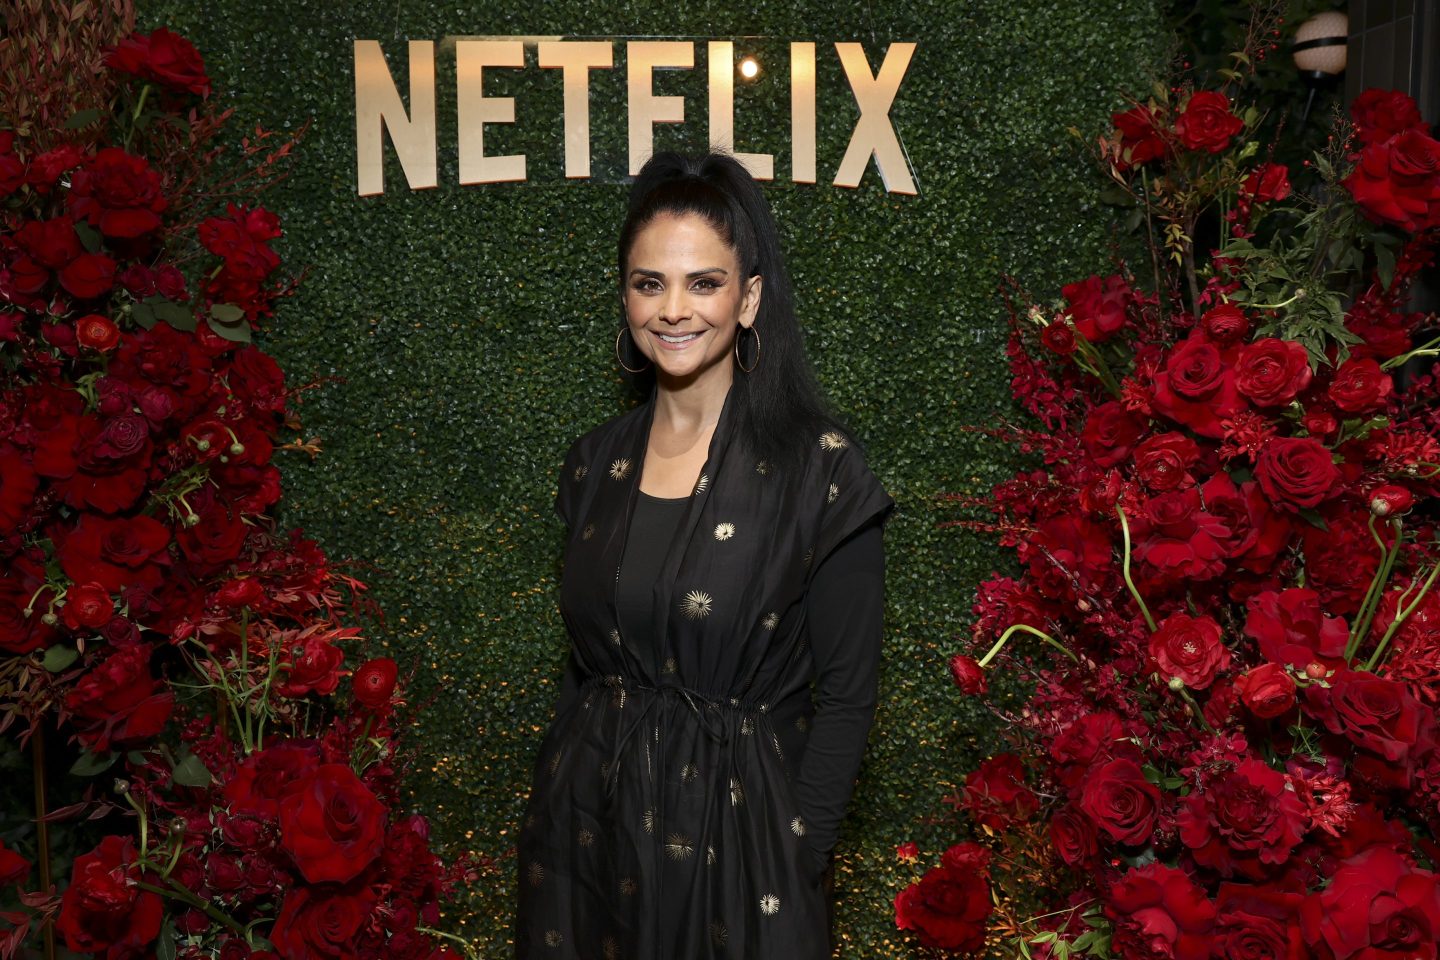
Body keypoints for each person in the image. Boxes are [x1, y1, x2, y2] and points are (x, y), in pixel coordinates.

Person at [513, 150, 896, 959]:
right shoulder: (593, 464)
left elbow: (848, 699)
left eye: (704, 283)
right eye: (649, 283)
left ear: (749, 298)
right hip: (588, 842)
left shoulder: (821, 473)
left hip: (745, 851)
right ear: (625, 297)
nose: (674, 310)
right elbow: (586, 672)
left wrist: (799, 858)